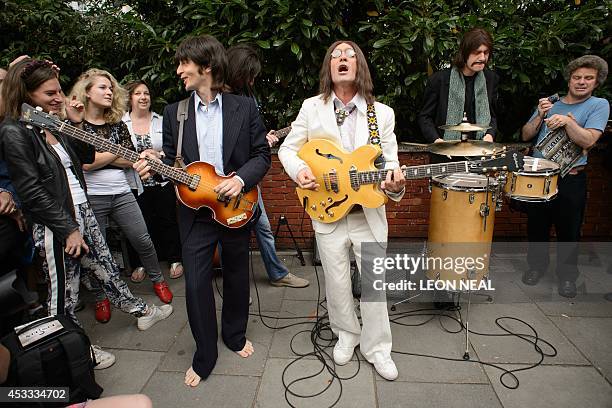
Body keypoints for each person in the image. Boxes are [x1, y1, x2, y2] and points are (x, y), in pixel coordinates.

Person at [0, 59, 173, 370]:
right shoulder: (14, 131)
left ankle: (141, 312)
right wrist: (68, 229)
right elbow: (31, 191)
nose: (58, 98)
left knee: (106, 267)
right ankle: (76, 352)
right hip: (58, 223)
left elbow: (85, 157)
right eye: (48, 93)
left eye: (59, 91)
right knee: (62, 294)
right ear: (25, 94)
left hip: (81, 210)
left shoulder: (50, 121)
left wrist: (76, 122)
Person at [134, 34, 270, 387]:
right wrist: (154, 166)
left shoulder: (244, 107)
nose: (179, 70)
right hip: (193, 211)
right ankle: (204, 354)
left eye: (185, 63)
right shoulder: (174, 112)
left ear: (206, 66)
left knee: (238, 273)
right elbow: (171, 159)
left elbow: (261, 156)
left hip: (234, 206)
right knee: (195, 284)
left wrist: (240, 180)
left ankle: (235, 336)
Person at [278, 40, 406, 380]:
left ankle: (378, 348)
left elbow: (390, 163)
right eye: (335, 55)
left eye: (349, 55)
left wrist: (395, 185)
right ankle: (347, 334)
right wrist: (300, 171)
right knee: (336, 283)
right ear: (329, 68)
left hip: (368, 214)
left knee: (375, 285)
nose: (342, 59)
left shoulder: (383, 114)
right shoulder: (311, 108)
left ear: (359, 65)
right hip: (327, 211)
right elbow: (288, 150)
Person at [69, 69, 173, 325]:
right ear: (87, 92)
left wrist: (101, 156)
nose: (109, 92)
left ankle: (158, 280)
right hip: (92, 197)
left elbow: (130, 159)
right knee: (95, 251)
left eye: (110, 88)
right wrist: (112, 155)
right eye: (102, 88)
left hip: (122, 192)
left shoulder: (117, 124)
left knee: (143, 239)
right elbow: (84, 164)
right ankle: (101, 298)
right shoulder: (75, 125)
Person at [521, 55, 609, 298]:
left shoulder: (598, 105)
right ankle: (536, 267)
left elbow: (589, 140)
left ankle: (568, 277)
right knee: (536, 226)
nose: (581, 82)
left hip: (571, 177)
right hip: (540, 177)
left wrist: (568, 123)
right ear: (569, 79)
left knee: (569, 230)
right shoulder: (551, 103)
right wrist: (539, 115)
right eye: (577, 77)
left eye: (588, 78)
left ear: (596, 82)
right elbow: (526, 134)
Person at [225, 44, 308, 288]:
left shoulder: (247, 95)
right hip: (229, 178)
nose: (253, 79)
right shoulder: (223, 99)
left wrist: (264, 137)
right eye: (249, 74)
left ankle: (277, 273)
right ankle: (235, 288)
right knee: (231, 232)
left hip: (248, 177)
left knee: (262, 227)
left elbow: (251, 135)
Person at [122, 80, 184, 281]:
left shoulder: (160, 120)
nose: (143, 97)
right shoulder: (121, 123)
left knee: (168, 220)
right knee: (139, 225)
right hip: (134, 184)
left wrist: (156, 154)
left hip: (161, 181)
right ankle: (139, 264)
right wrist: (141, 155)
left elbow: (172, 148)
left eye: (146, 93)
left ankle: (174, 259)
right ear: (130, 98)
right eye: (138, 93)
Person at [417, 28, 498, 142]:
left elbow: (493, 116)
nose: (482, 58)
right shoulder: (438, 80)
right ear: (464, 53)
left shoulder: (491, 79)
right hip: (445, 153)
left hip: (480, 152)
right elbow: (425, 117)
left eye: (486, 52)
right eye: (477, 52)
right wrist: (436, 140)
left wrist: (490, 135)